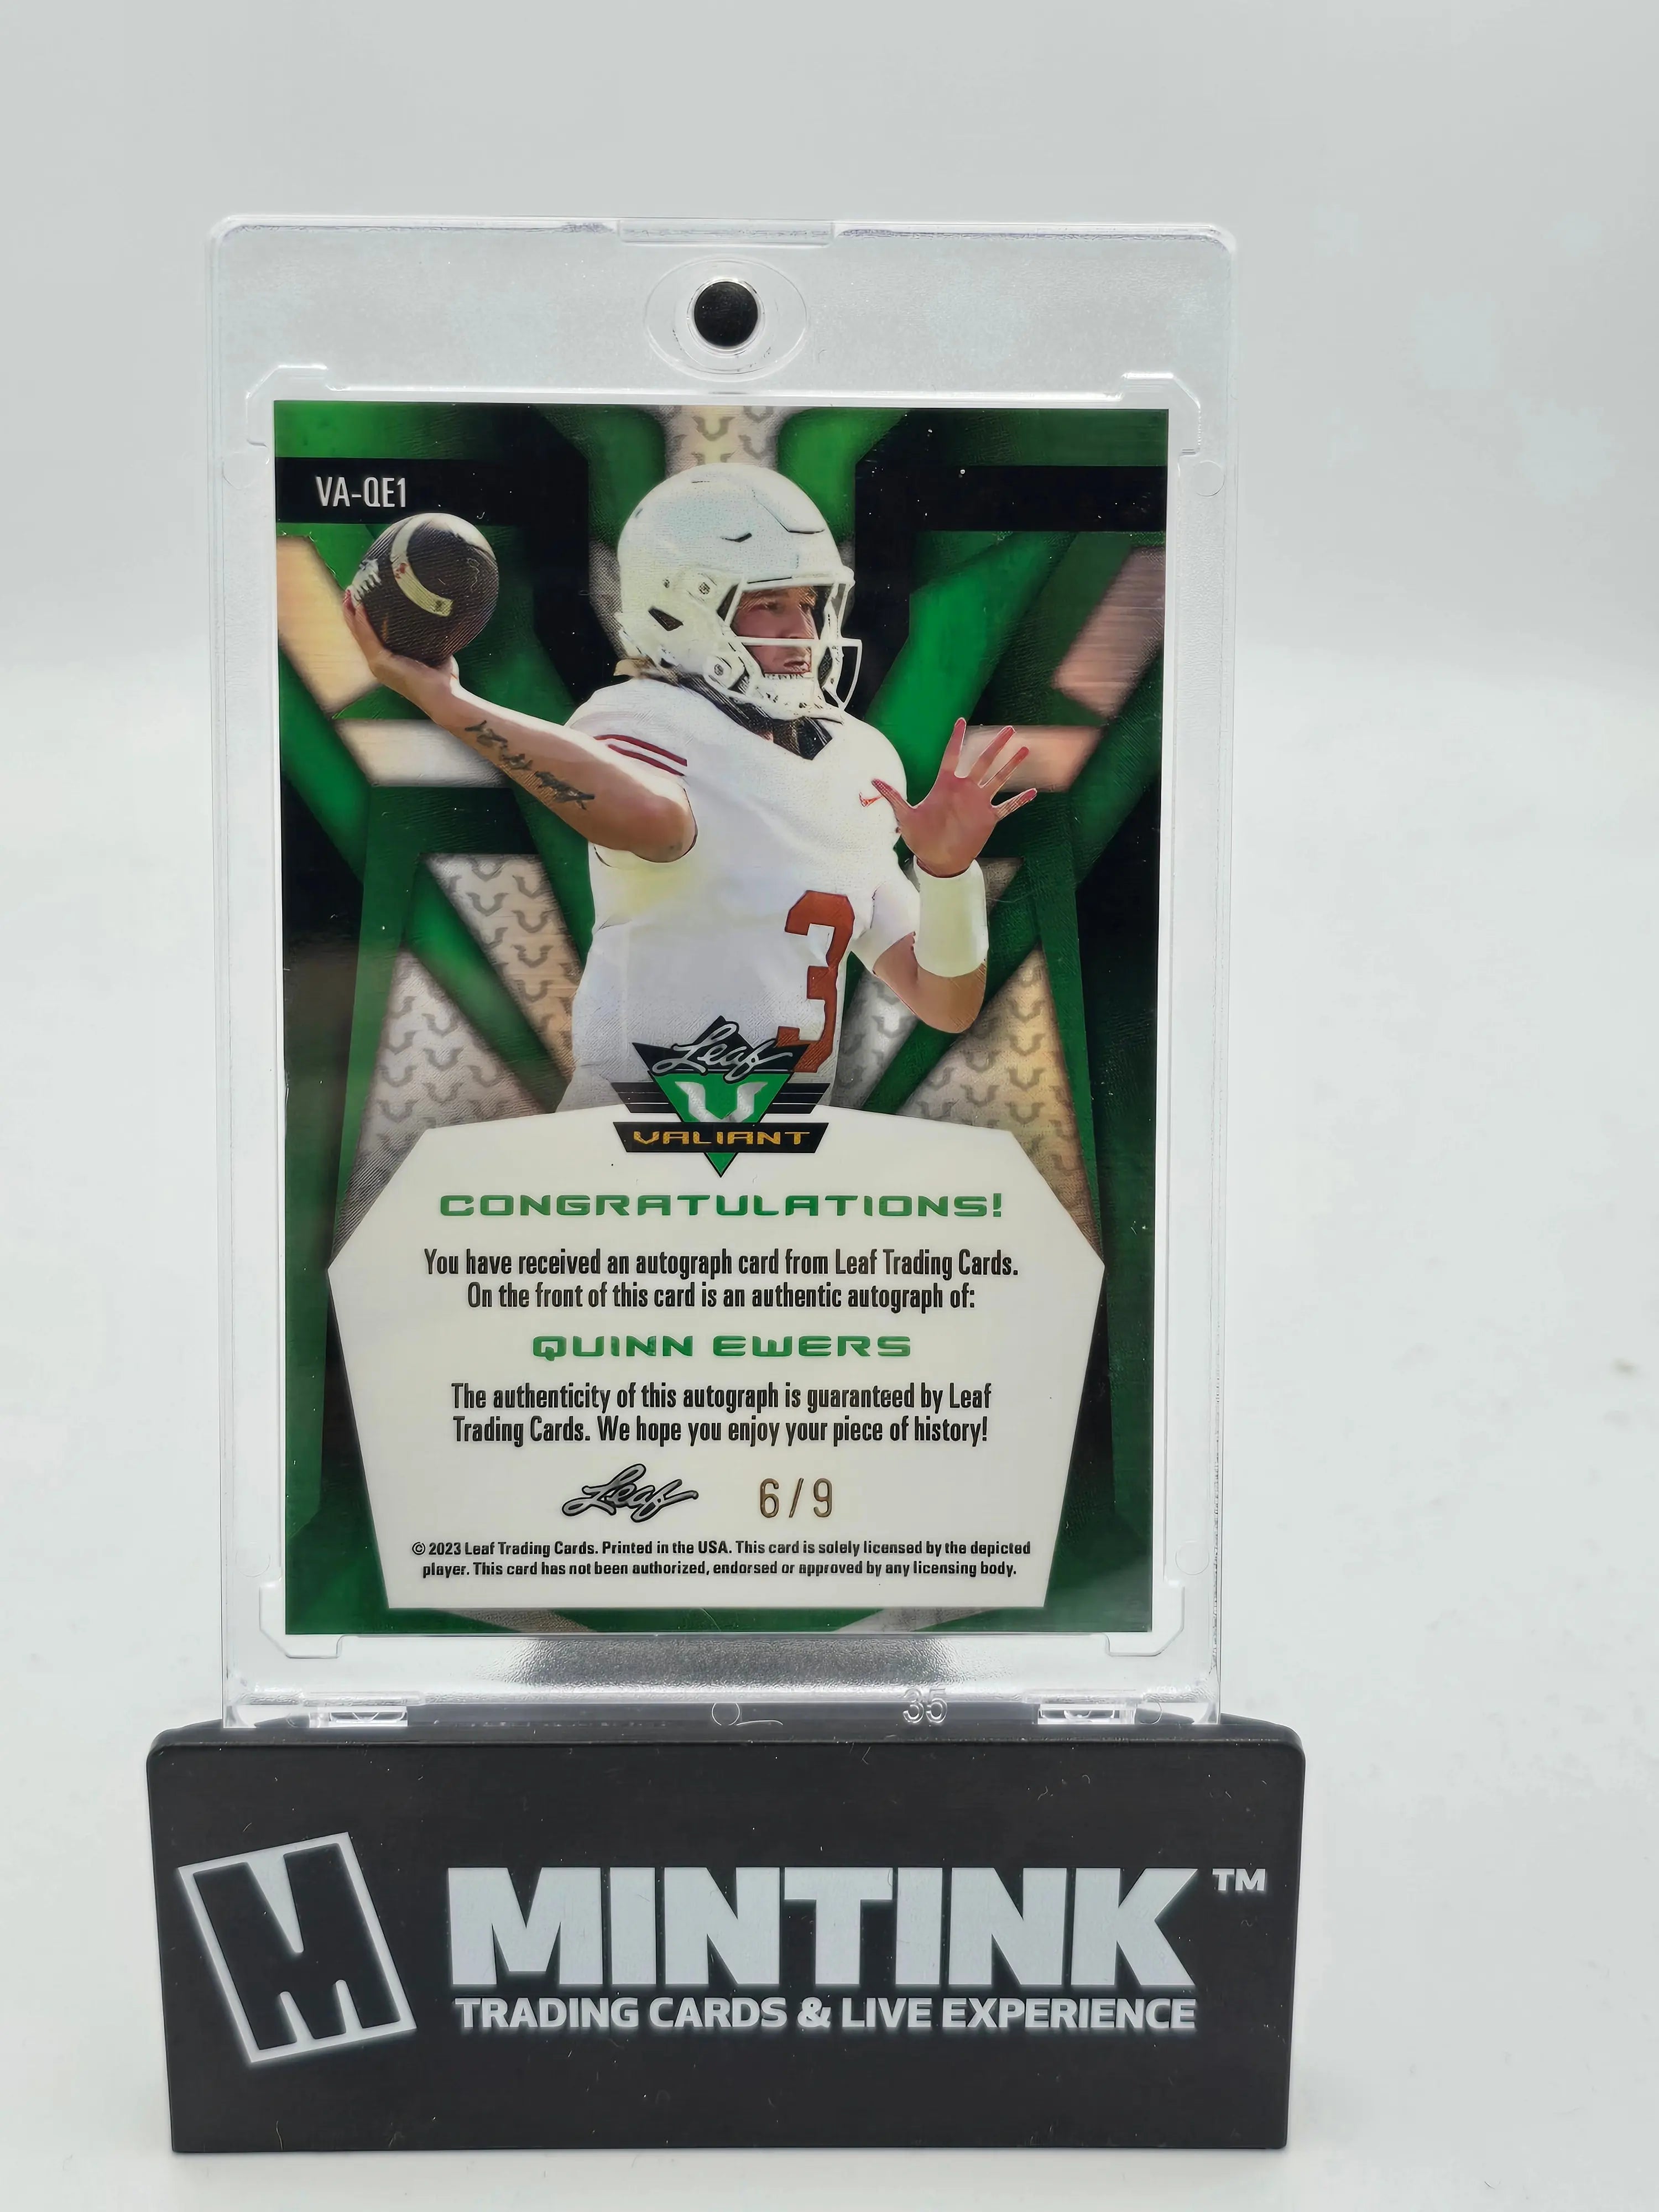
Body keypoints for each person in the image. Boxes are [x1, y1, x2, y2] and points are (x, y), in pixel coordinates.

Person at [342, 462, 1034, 1109]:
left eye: (810, 602)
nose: (802, 629)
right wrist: (453, 706)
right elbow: (654, 819)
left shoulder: (859, 762)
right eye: (769, 604)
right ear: (679, 608)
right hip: (627, 1140)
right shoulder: (641, 715)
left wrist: (948, 875)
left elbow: (946, 1003)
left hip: (789, 1156)